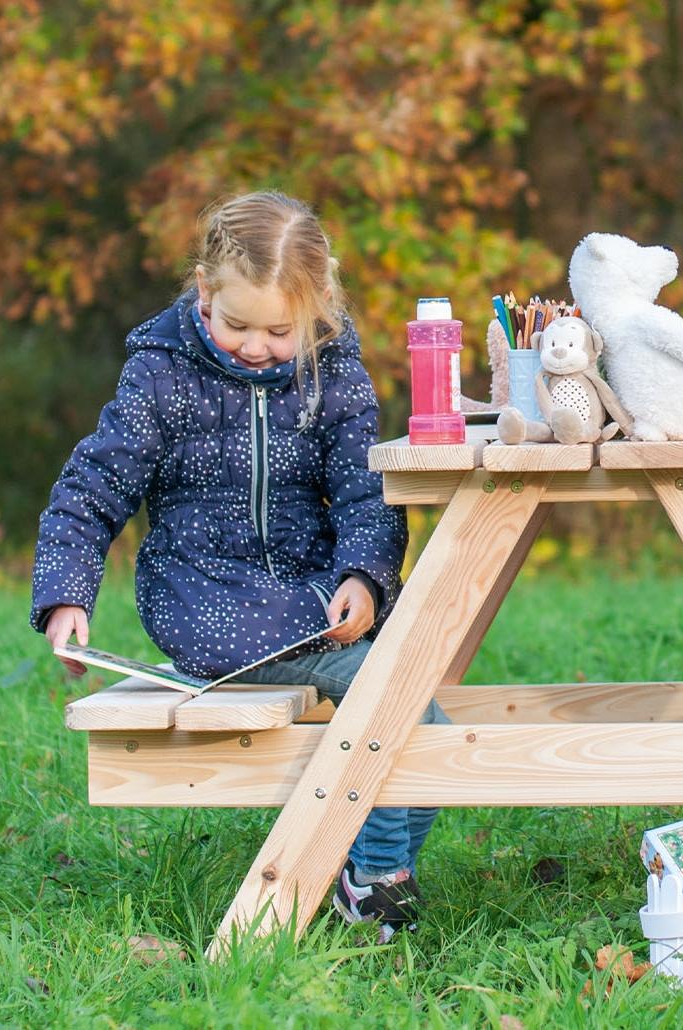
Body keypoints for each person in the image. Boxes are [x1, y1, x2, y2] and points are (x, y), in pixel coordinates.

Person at [30, 191, 439, 941]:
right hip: (209, 603)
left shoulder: (332, 373)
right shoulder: (161, 376)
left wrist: (362, 577)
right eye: (237, 324)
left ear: (316, 312)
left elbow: (366, 492)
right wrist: (66, 594)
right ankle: (376, 876)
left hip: (316, 598)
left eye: (280, 330)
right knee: (388, 700)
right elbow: (92, 486)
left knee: (428, 715)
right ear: (203, 290)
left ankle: (366, 871)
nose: (256, 346)